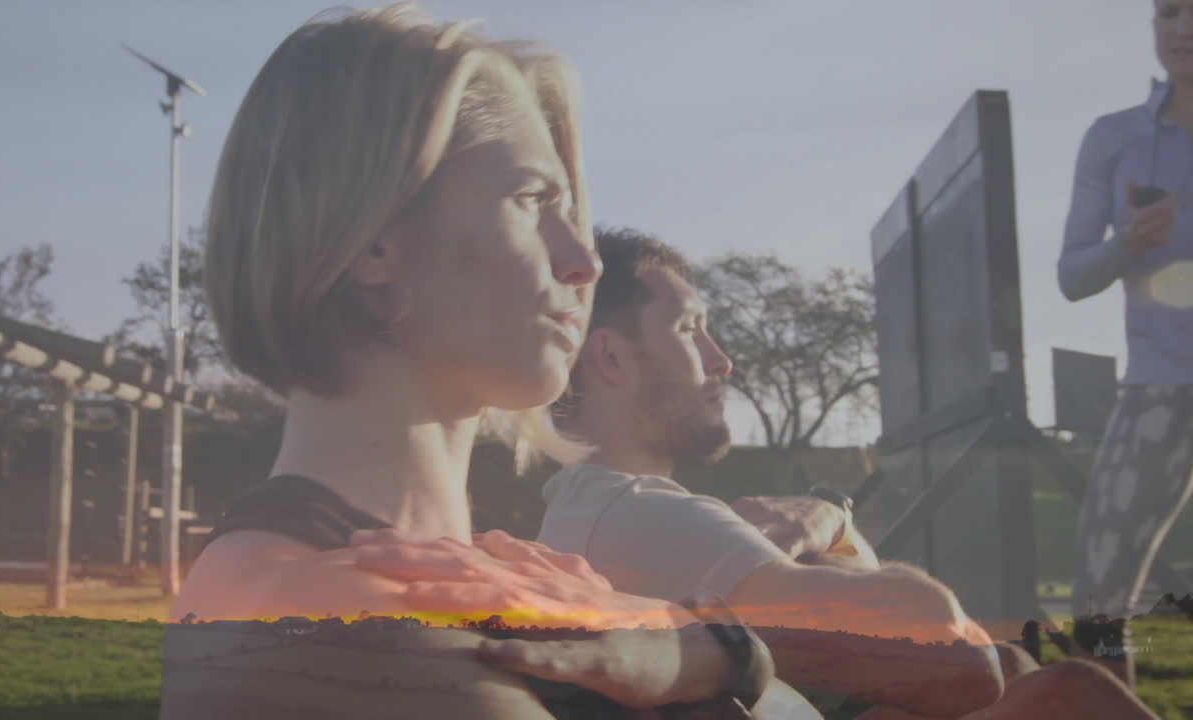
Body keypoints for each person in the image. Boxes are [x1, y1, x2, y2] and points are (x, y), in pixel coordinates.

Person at [161, 6, 774, 718]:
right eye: (531, 200)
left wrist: (696, 652)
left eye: (571, 214)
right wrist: (715, 655)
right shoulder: (334, 617)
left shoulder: (491, 581)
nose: (583, 263)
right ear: (372, 241)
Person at [537, 227, 1160, 719]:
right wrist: (832, 522)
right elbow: (955, 658)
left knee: (1022, 669)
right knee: (1067, 690)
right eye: (689, 330)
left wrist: (831, 516)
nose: (720, 361)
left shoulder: (594, 511)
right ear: (611, 357)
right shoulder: (641, 515)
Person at [1059, 0, 1193, 688]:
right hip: (1160, 388)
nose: (1183, 28)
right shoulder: (1114, 139)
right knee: (1098, 601)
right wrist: (1129, 244)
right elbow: (1071, 275)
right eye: (1169, 11)